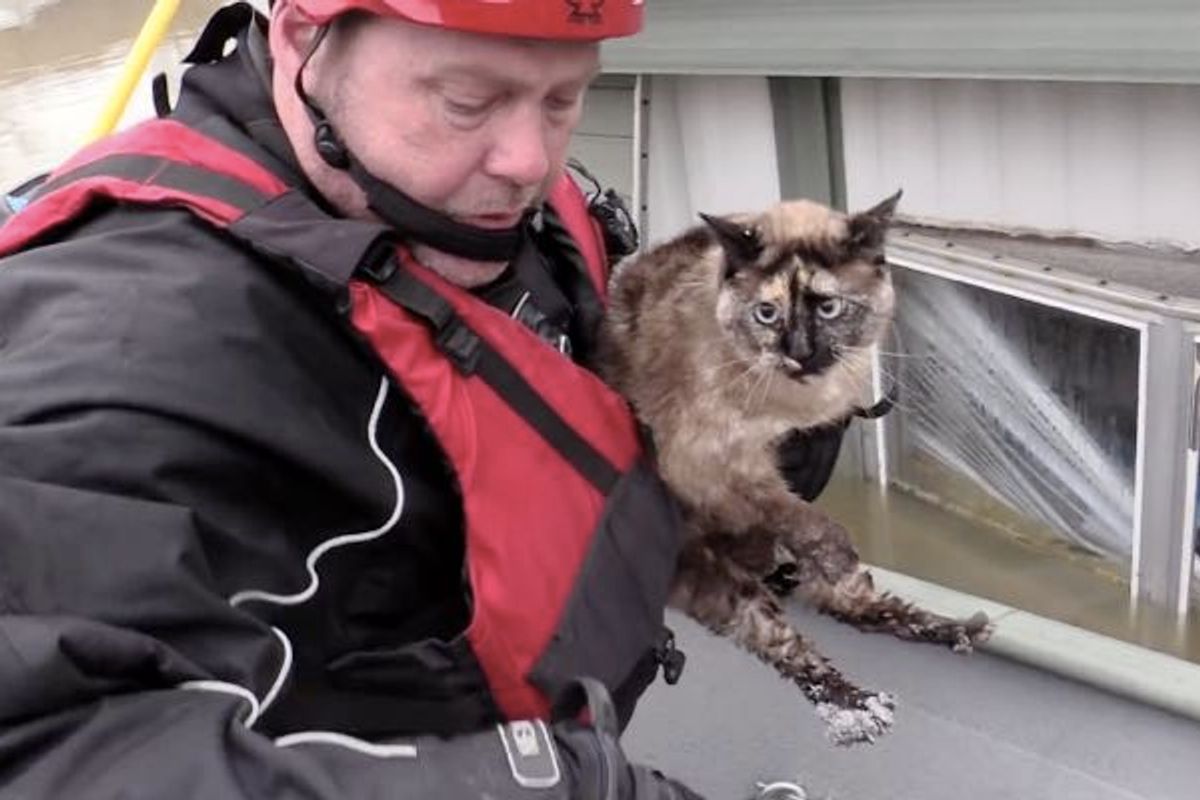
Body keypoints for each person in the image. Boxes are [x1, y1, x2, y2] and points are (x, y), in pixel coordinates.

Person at [0, 1, 701, 797]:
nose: (528, 162)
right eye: (468, 102)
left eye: (563, 100)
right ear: (304, 42)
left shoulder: (466, 195)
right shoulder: (127, 335)